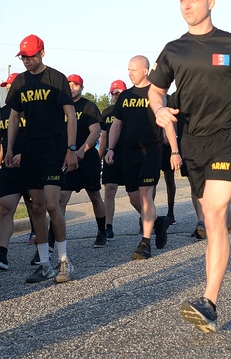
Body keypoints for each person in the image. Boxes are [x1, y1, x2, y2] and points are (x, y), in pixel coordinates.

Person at [148, 0, 231, 334]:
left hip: (227, 138)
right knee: (215, 216)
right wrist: (159, 109)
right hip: (192, 143)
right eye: (181, 0)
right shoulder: (173, 50)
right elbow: (156, 90)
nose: (185, 5)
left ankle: (209, 303)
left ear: (211, 3)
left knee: (216, 215)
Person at [5, 34, 78, 284]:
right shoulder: (20, 83)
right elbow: (13, 118)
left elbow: (71, 114)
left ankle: (64, 260)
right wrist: (10, 149)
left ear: (42, 53)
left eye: (31, 56)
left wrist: (70, 148)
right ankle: (44, 264)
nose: (27, 60)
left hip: (54, 147)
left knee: (50, 204)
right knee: (36, 207)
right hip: (30, 148)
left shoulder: (56, 78)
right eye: (23, 57)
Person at [105, 57, 177, 261]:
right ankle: (157, 223)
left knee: (146, 195)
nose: (130, 73)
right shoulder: (125, 96)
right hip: (128, 152)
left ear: (145, 71)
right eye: (128, 70)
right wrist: (110, 148)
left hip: (151, 151)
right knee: (134, 198)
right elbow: (116, 125)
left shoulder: (156, 94)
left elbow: (168, 123)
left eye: (134, 70)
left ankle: (145, 243)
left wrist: (174, 150)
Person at [61, 74, 108, 249]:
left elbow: (95, 131)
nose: (71, 87)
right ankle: (55, 238)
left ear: (81, 87)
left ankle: (101, 232)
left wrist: (81, 151)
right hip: (66, 159)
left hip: (87, 159)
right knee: (61, 197)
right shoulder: (60, 106)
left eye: (75, 85)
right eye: (69, 84)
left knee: (94, 195)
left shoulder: (89, 106)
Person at [100, 80, 126, 241]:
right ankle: (108, 225)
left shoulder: (131, 110)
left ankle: (147, 220)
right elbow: (103, 137)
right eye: (113, 93)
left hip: (129, 154)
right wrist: (98, 158)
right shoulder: (107, 113)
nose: (116, 96)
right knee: (109, 188)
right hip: (111, 155)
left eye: (119, 93)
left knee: (137, 192)